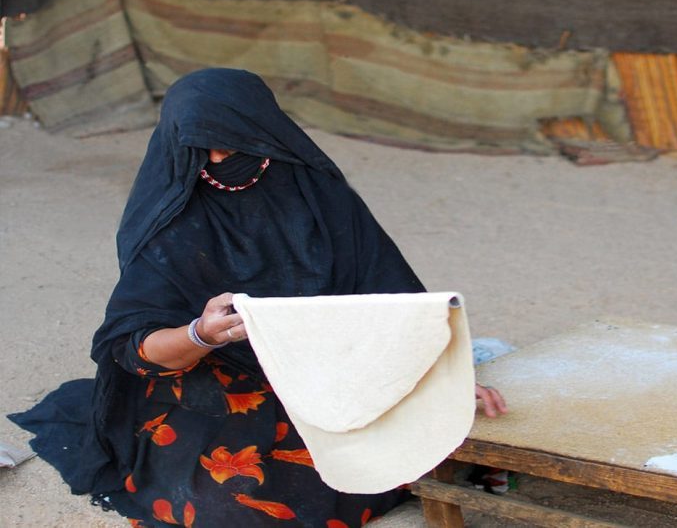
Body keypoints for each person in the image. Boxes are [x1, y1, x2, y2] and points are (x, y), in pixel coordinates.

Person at [10, 68, 507, 527]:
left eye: (234, 145)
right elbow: (131, 347)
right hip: (218, 381)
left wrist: (443, 376)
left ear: (265, 133)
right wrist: (200, 333)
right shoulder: (170, 218)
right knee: (232, 502)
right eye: (203, 150)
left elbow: (389, 297)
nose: (220, 162)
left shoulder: (316, 193)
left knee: (434, 444)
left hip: (329, 368)